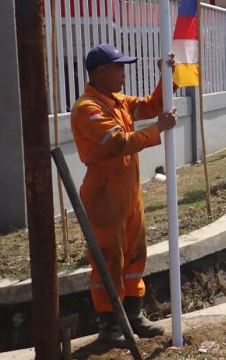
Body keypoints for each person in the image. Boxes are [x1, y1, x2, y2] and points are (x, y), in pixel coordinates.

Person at [71, 44, 178, 345]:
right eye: (118, 67)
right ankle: (111, 325)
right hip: (104, 195)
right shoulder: (87, 108)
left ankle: (133, 315)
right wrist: (158, 130)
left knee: (134, 255)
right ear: (100, 71)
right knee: (109, 259)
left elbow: (151, 106)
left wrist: (166, 78)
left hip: (128, 192)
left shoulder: (116, 101)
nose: (123, 72)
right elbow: (116, 143)